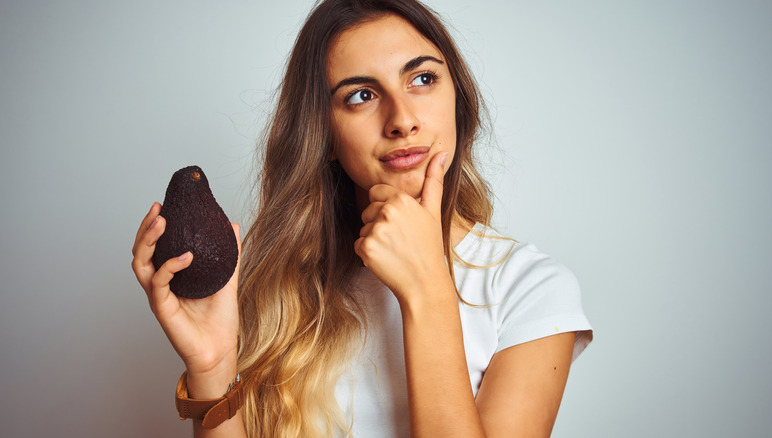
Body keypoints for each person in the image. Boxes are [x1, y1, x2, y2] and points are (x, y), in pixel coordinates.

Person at [131, 0, 592, 436]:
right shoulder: (278, 295)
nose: (402, 119)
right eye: (362, 95)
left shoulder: (531, 289)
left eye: (423, 79)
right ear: (324, 134)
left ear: (459, 99)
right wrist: (211, 367)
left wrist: (427, 289)